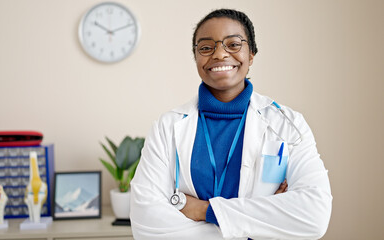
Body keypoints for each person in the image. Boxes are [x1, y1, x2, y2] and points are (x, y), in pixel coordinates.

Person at [130, 8, 332, 240]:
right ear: (196, 58)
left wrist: (203, 211)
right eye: (206, 47)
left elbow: (313, 216)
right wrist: (261, 222)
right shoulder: (167, 127)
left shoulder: (288, 125)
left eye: (233, 44)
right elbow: (147, 225)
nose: (219, 54)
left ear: (252, 54)